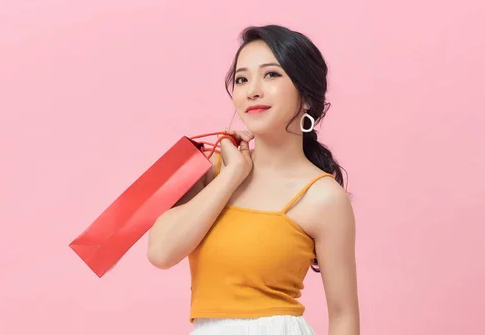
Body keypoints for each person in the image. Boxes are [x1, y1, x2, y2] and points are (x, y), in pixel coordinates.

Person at [147, 24, 360, 335]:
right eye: (242, 79)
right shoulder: (212, 170)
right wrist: (232, 175)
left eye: (271, 75)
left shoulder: (323, 197)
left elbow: (344, 316)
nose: (252, 90)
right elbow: (161, 253)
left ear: (307, 98)